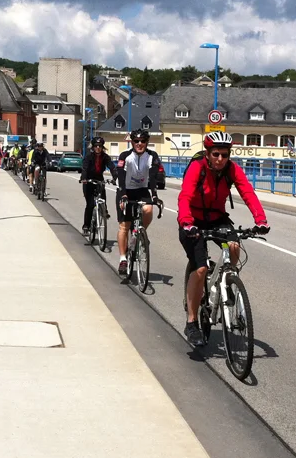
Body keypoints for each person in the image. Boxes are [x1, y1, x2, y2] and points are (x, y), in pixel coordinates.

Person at [177, 131, 269, 347]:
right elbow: (185, 196)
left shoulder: (231, 169)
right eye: (216, 154)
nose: (220, 159)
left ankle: (226, 280)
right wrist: (187, 222)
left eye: (225, 155)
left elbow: (248, 193)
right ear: (208, 153)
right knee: (200, 269)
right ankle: (191, 322)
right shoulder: (197, 167)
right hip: (193, 220)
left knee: (235, 246)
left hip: (217, 218)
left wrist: (261, 220)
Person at [115, 128, 162, 276]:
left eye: (143, 141)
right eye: (136, 141)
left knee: (148, 210)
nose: (139, 144)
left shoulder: (152, 156)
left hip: (142, 190)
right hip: (125, 190)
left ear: (147, 142)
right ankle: (123, 259)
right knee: (125, 225)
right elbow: (121, 175)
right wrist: (123, 194)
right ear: (132, 142)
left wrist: (154, 195)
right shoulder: (125, 156)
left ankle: (140, 234)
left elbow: (153, 177)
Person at [79, 136, 117, 235]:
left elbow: (112, 167)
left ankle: (104, 210)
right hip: (88, 180)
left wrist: (115, 178)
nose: (98, 148)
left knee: (103, 197)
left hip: (99, 179)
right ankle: (86, 225)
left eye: (100, 146)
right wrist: (84, 178)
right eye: (96, 146)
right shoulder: (89, 156)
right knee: (90, 204)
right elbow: (85, 168)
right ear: (93, 147)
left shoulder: (105, 157)